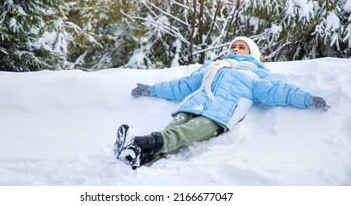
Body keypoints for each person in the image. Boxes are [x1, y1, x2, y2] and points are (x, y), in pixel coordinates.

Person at [114, 36, 330, 169]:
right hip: (192, 106)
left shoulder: (256, 75)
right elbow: (183, 85)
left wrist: (307, 99)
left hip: (217, 117)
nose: (235, 49)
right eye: (233, 46)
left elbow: (279, 90)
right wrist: (151, 89)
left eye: (241, 47)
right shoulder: (215, 67)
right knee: (173, 127)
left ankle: (140, 143)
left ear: (252, 53)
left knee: (182, 134)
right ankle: (138, 156)